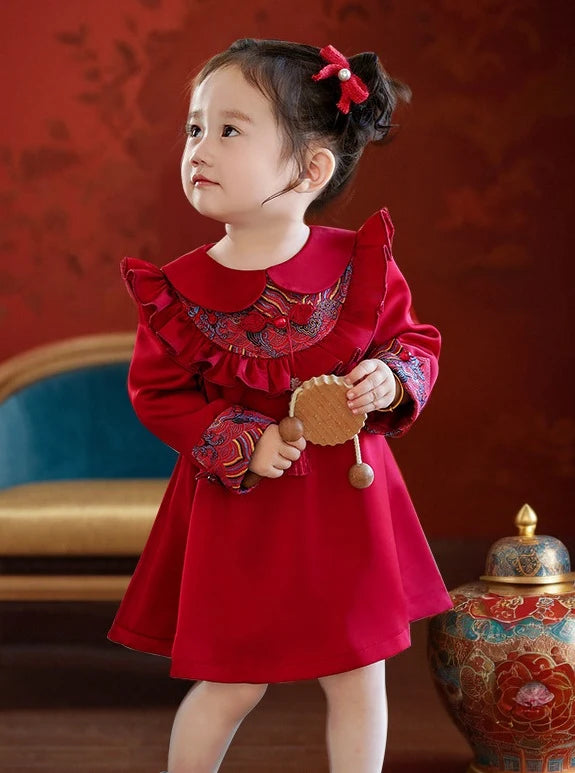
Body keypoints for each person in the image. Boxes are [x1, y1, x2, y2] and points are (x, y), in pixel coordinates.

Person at [107, 38, 454, 773]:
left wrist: (388, 380)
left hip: (348, 504)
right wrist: (241, 441)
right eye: (195, 128)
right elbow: (159, 393)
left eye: (230, 129)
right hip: (241, 509)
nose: (200, 146)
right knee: (231, 680)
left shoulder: (358, 265)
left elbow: (412, 342)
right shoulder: (176, 290)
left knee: (357, 673)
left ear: (309, 168)